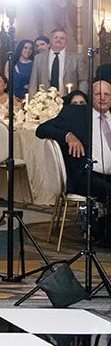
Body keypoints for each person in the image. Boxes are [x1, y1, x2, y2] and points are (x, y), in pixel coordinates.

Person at [34, 78, 111, 241]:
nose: (102, 98)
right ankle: (105, 236)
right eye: (98, 94)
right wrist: (67, 136)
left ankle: (102, 227)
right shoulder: (75, 113)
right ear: (91, 97)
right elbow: (42, 129)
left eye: (106, 94)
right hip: (85, 174)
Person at [31, 29, 83, 96]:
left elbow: (83, 80)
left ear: (66, 42)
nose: (58, 40)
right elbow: (33, 83)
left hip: (68, 100)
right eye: (56, 37)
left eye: (62, 38)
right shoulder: (39, 58)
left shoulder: (76, 58)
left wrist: (81, 97)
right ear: (51, 41)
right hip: (45, 101)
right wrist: (32, 103)